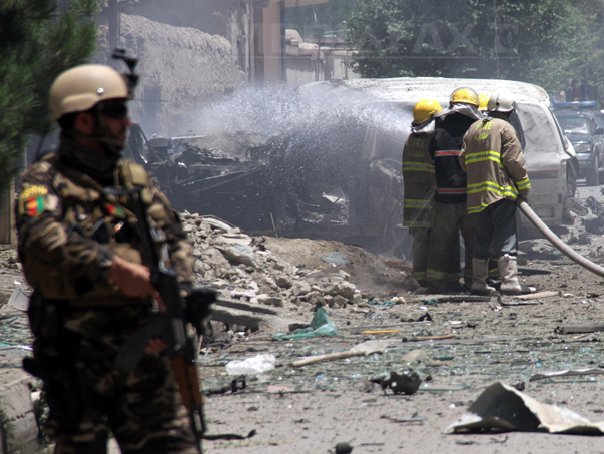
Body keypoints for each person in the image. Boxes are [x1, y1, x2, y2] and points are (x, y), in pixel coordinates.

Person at [16, 64, 201, 453]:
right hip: (77, 355)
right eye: (116, 112)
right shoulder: (43, 181)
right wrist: (112, 267)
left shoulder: (133, 180)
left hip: (144, 350)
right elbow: (41, 238)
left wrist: (178, 294)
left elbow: (174, 238)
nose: (126, 122)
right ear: (84, 120)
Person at [460, 92, 535, 295]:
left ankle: (479, 283)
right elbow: (514, 162)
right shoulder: (505, 127)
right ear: (508, 112)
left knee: (481, 238)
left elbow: (463, 160)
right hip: (501, 194)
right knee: (506, 237)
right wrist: (524, 188)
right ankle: (509, 282)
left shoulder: (473, 128)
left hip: (477, 196)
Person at [425, 87, 483, 292]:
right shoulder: (477, 130)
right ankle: (473, 281)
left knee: (442, 243)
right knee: (474, 243)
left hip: (444, 198)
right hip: (471, 198)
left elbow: (431, 157)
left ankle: (439, 282)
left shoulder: (439, 129)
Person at [402, 98, 442, 287]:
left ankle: (419, 278)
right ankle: (432, 279)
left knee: (419, 242)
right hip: (431, 200)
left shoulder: (410, 139)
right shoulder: (433, 140)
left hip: (413, 201)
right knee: (434, 242)